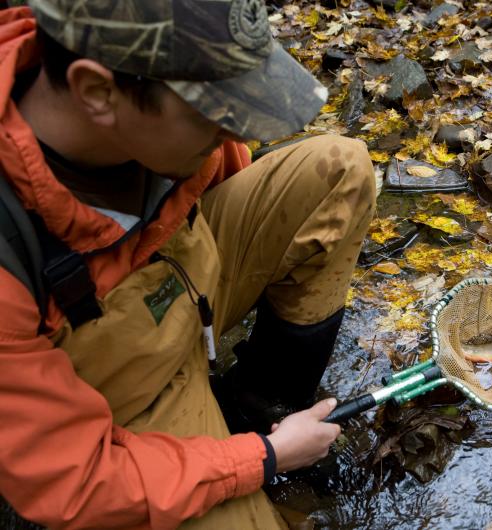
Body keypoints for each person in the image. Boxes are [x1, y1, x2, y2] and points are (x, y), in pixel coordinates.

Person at [0, 1, 375, 528]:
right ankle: (245, 438)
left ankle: (262, 401)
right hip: (126, 399)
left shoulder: (162, 125)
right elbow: (77, 480)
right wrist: (263, 459)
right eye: (218, 113)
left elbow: (223, 179)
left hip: (190, 289)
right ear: (96, 90)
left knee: (339, 169)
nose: (236, 128)